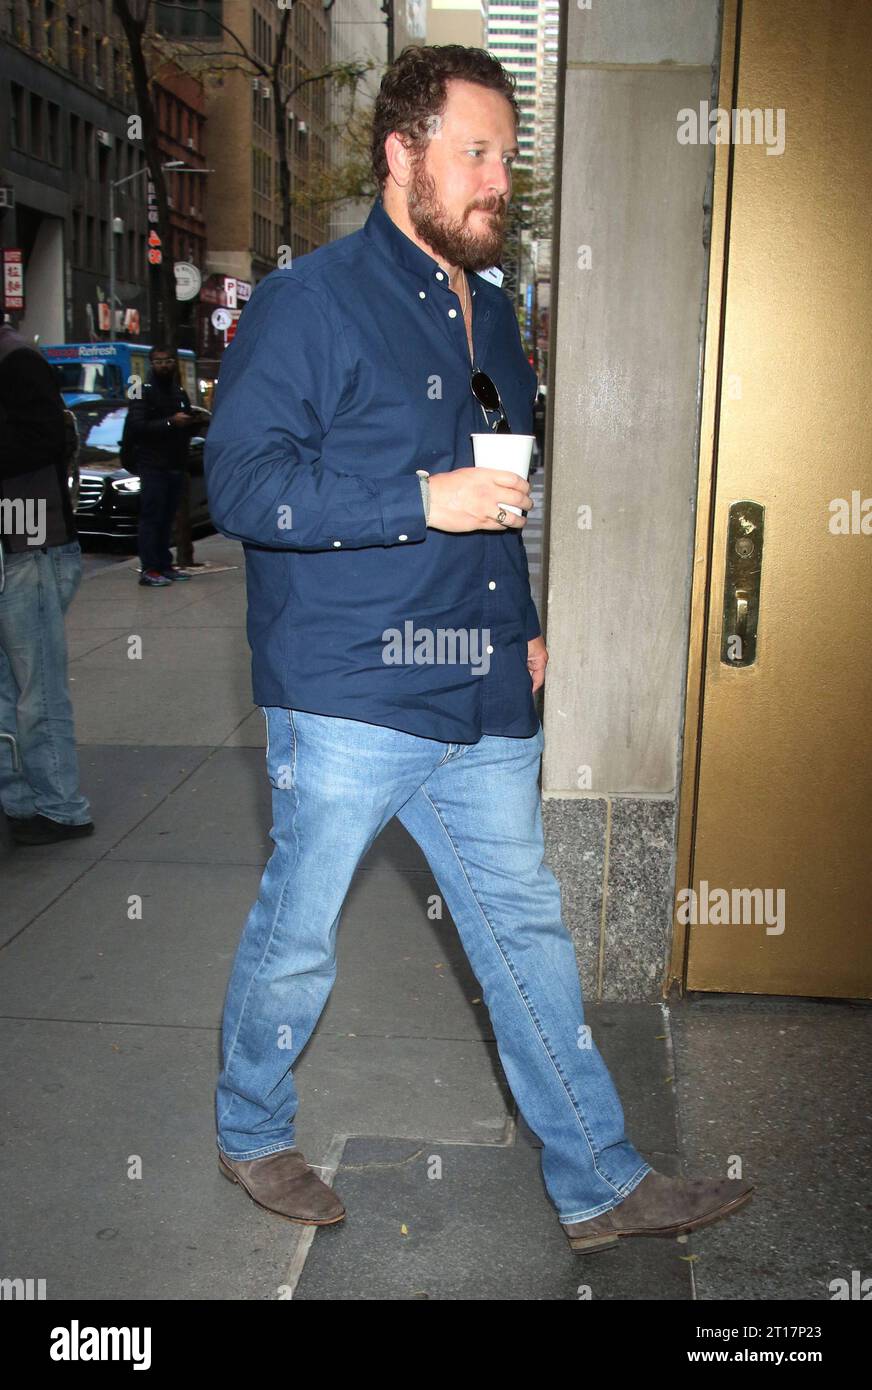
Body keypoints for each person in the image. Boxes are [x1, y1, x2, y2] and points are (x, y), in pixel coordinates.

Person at [204, 44, 754, 1255]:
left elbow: (500, 489)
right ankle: (251, 1127)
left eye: (507, 155)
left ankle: (598, 1180)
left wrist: (523, 623)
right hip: (349, 692)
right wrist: (419, 497)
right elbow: (241, 484)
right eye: (476, 152)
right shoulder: (310, 302)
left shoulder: (494, 310)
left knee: (523, 934)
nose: (499, 177)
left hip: (482, 686)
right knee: (298, 936)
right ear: (401, 155)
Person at [0, 320, 93, 845]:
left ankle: (58, 806)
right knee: (13, 688)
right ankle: (22, 799)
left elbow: (44, 440)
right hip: (16, 544)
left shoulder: (16, 361)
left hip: (29, 544)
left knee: (36, 690)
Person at [127, 345, 204, 587]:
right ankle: (149, 567)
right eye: (159, 361)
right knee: (152, 518)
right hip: (152, 465)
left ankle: (164, 564)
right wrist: (171, 422)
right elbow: (138, 426)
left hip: (175, 463)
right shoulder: (141, 391)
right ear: (151, 364)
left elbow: (183, 423)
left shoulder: (178, 391)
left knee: (167, 517)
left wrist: (192, 422)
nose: (164, 365)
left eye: (168, 360)